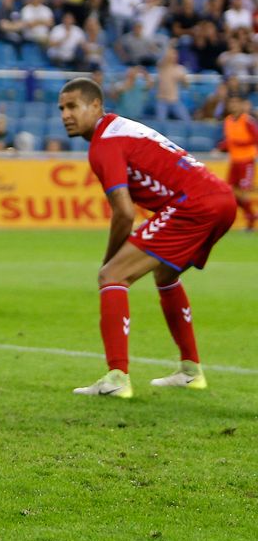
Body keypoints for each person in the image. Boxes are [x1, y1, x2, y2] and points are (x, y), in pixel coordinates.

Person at [58, 78, 236, 398]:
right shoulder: (120, 128)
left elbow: (124, 213)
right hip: (220, 198)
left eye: (73, 106)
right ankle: (190, 370)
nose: (65, 115)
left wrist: (110, 260)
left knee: (112, 275)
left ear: (96, 106)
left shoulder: (104, 144)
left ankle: (117, 378)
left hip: (192, 203)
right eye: (61, 108)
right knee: (165, 274)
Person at [220, 92, 258, 231]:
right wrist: (222, 146)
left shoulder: (247, 121)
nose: (233, 105)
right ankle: (251, 216)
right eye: (231, 103)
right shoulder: (228, 120)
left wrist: (238, 142)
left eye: (236, 103)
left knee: (243, 192)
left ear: (241, 105)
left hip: (246, 161)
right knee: (229, 192)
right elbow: (229, 140)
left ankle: (250, 221)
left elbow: (255, 139)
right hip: (234, 161)